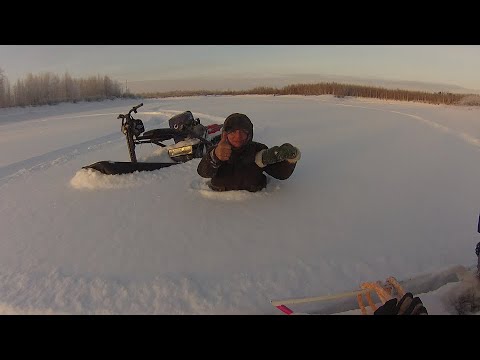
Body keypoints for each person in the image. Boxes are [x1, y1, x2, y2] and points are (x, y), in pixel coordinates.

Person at [197, 113, 301, 192]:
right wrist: (215, 157)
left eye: (243, 132)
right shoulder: (217, 150)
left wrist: (290, 158)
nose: (238, 137)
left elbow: (281, 174)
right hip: (219, 205)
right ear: (225, 134)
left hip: (258, 205)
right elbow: (203, 172)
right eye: (233, 132)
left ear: (249, 134)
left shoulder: (259, 150)